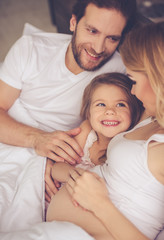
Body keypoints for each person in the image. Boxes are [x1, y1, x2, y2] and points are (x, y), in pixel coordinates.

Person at [0, 0, 139, 202]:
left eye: (111, 38)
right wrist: (37, 140)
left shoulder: (121, 72)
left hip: (57, 156)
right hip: (11, 134)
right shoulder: (30, 48)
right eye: (92, 31)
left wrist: (45, 161)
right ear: (73, 23)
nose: (98, 48)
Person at [46, 21, 164, 240]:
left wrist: (99, 204)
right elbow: (105, 112)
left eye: (134, 80)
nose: (134, 92)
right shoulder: (152, 115)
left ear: (158, 80)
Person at [46, 72, 143, 185]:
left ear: (134, 111)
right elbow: (56, 167)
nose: (110, 111)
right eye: (101, 104)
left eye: (120, 104)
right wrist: (75, 177)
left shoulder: (127, 149)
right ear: (89, 112)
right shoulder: (87, 131)